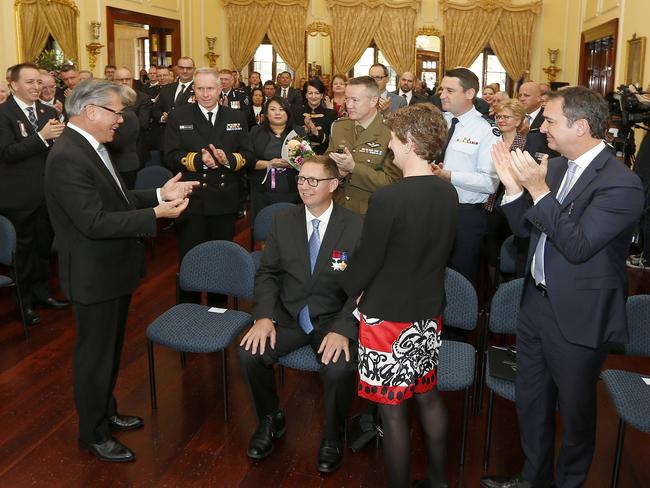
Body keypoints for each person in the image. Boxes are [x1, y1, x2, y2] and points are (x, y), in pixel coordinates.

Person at [481, 87, 644, 488]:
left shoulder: (622, 184)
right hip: (535, 306)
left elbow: (577, 246)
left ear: (582, 126)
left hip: (579, 317)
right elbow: (524, 228)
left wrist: (536, 190)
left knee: (575, 416)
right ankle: (532, 478)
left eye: (551, 120)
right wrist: (515, 189)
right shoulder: (553, 168)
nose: (543, 128)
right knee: (531, 403)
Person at [44, 79, 197, 462]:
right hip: (93, 274)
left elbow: (118, 199)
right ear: (91, 111)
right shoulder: (68, 156)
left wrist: (162, 194)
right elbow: (94, 222)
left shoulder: (90, 147)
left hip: (111, 269)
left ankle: (105, 412)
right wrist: (156, 214)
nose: (122, 121)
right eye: (116, 112)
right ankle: (92, 433)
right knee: (94, 355)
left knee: (110, 350)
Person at [343, 104, 458, 488]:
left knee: (391, 411)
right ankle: (439, 481)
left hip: (387, 317)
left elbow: (366, 262)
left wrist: (344, 285)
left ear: (409, 143)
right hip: (427, 312)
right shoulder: (448, 192)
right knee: (426, 394)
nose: (389, 145)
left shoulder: (389, 199)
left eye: (393, 138)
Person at [238, 155, 362, 474]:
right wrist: (263, 316)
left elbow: (364, 287)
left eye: (313, 181)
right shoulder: (284, 221)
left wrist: (345, 328)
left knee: (337, 370)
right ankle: (270, 418)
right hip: (290, 316)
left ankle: (333, 434)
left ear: (333, 185)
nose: (304, 186)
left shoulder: (356, 226)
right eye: (301, 179)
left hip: (332, 319)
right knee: (250, 353)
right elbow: (267, 273)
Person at [163, 67, 252, 276]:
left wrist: (227, 159)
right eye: (200, 88)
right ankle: (188, 306)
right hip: (192, 200)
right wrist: (199, 161)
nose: (205, 94)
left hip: (225, 200)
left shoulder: (237, 117)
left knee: (220, 262)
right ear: (193, 89)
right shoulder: (179, 116)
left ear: (220, 88)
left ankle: (218, 306)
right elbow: (169, 155)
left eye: (210, 88)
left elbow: (249, 155)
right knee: (190, 260)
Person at [0, 62, 67, 326]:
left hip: (45, 194)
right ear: (14, 84)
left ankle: (43, 294)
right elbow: (7, 154)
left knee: (42, 248)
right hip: (17, 197)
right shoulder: (3, 114)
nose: (36, 87)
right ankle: (24, 302)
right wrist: (41, 137)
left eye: (39, 82)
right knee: (22, 252)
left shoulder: (47, 111)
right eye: (30, 82)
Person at [432, 67, 500, 287]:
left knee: (459, 281)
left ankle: (456, 322)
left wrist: (448, 176)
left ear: (469, 93)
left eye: (450, 90)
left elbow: (489, 182)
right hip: (434, 210)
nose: (442, 95)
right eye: (442, 89)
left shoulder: (486, 130)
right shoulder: (439, 122)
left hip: (465, 217)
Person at [326, 76, 401, 215]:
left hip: (372, 214)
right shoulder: (339, 127)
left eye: (355, 100)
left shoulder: (391, 132)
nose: (349, 105)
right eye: (347, 99)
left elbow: (392, 183)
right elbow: (327, 163)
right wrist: (339, 174)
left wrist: (354, 168)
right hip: (338, 209)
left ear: (373, 101)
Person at [485, 99, 529, 282]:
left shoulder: (527, 144)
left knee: (512, 251)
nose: (501, 120)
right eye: (498, 116)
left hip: (515, 205)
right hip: (490, 204)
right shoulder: (490, 140)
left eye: (506, 117)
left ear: (518, 121)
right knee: (491, 250)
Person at [249, 96, 304, 220]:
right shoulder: (256, 132)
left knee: (291, 226)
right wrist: (269, 163)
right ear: (266, 114)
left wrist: (293, 164)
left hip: (292, 189)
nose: (277, 113)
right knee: (265, 226)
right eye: (273, 109)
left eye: (281, 109)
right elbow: (248, 160)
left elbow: (307, 161)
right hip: (262, 190)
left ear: (288, 113)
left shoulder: (298, 132)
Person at [108, 67, 153, 189]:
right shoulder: (109, 100)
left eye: (127, 79)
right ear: (113, 81)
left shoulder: (142, 98)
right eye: (120, 80)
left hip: (134, 153)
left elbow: (143, 123)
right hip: (115, 158)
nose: (124, 82)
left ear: (132, 80)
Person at [294, 78, 337, 155]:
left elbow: (333, 142)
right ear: (306, 95)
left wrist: (316, 132)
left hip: (323, 156)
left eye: (317, 93)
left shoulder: (331, 114)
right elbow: (292, 140)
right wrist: (305, 130)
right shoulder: (296, 112)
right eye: (310, 93)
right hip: (300, 157)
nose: (313, 96)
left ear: (322, 95)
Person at [519, 81, 558, 160]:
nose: (522, 98)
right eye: (520, 95)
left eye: (526, 95)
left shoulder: (548, 117)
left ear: (539, 98)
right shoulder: (515, 116)